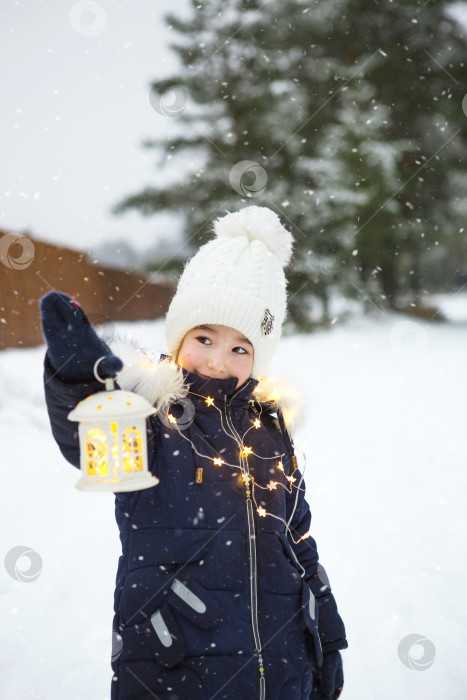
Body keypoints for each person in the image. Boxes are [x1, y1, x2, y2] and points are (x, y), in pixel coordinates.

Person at [40, 205, 348, 700]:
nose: (217, 361)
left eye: (240, 348)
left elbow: (299, 538)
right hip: (177, 667)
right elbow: (90, 445)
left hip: (284, 664)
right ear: (180, 334)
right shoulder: (151, 417)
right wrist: (77, 378)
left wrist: (325, 637)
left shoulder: (270, 427)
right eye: (204, 338)